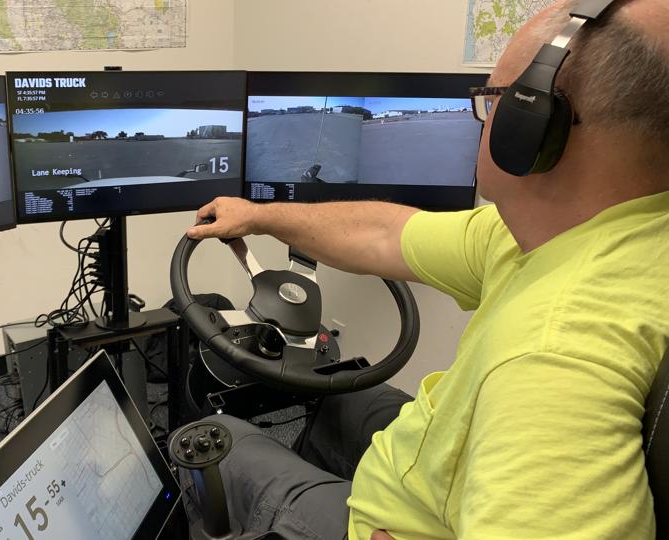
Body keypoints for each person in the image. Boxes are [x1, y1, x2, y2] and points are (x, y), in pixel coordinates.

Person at [184, 0, 669, 538]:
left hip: (396, 524)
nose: (484, 119)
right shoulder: (565, 233)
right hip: (437, 465)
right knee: (337, 399)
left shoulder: (552, 358)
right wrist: (259, 216)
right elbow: (385, 233)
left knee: (218, 439)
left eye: (492, 101)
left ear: (530, 126)